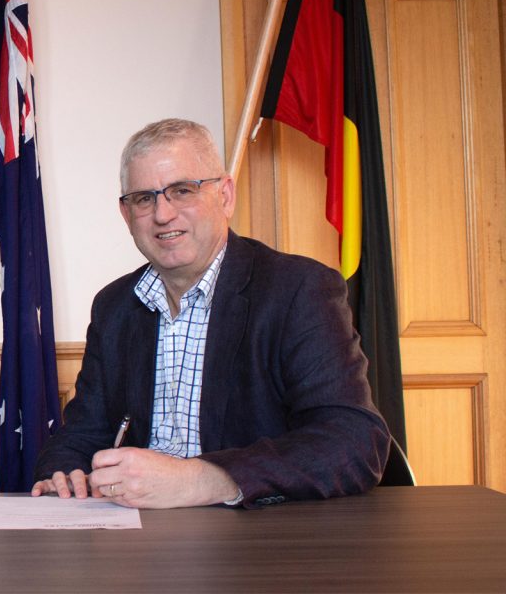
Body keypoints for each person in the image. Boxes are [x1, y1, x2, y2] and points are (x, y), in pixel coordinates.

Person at [31, 119, 390, 509]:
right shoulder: (115, 305)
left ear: (225, 195)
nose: (163, 214)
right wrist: (67, 474)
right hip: (137, 538)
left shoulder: (298, 289)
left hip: (253, 540)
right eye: (144, 198)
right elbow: (82, 433)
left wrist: (205, 479)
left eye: (182, 190)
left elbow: (354, 441)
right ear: (126, 213)